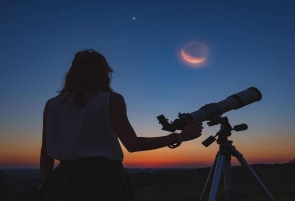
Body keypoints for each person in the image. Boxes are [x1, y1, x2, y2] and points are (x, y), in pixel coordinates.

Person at [38, 49, 203, 201]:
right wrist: (180, 136)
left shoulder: (52, 104)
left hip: (63, 179)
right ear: (104, 73)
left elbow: (46, 152)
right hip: (104, 179)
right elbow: (133, 144)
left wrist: (46, 186)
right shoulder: (111, 99)